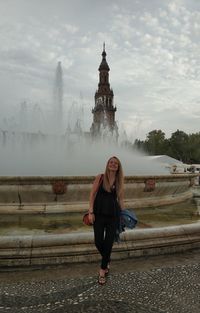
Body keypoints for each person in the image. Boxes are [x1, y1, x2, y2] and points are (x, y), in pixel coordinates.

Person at [88, 156, 125, 285]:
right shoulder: (100, 177)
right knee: (98, 241)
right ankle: (107, 259)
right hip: (98, 214)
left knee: (108, 243)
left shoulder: (119, 181)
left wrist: (123, 214)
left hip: (113, 215)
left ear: (118, 167)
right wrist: (90, 212)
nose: (113, 164)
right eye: (111, 162)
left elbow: (120, 199)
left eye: (116, 163)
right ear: (107, 164)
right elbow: (92, 194)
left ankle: (102, 270)